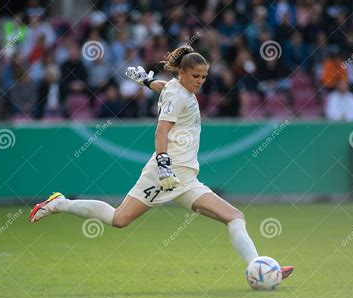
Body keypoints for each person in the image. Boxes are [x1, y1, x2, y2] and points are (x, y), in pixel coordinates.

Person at [29, 46, 294, 280]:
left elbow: (163, 87)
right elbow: (161, 131)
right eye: (195, 76)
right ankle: (59, 203)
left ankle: (259, 268)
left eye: (204, 77)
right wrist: (164, 166)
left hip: (186, 179)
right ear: (183, 73)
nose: (200, 81)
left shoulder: (177, 89)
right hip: (165, 174)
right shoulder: (179, 95)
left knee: (235, 217)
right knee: (119, 219)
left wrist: (146, 80)